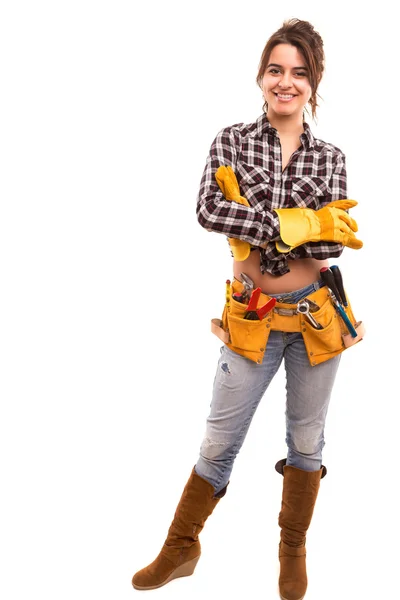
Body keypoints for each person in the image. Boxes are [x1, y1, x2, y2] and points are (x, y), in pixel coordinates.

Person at [132, 18, 363, 600]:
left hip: (316, 320)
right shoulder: (231, 141)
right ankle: (181, 546)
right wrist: (293, 222)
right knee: (218, 440)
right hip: (251, 315)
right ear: (261, 76)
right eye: (276, 70)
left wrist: (268, 226)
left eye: (299, 73)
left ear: (313, 84)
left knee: (307, 442)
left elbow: (331, 244)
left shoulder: (331, 156)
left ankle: (292, 550)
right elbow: (210, 210)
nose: (285, 82)